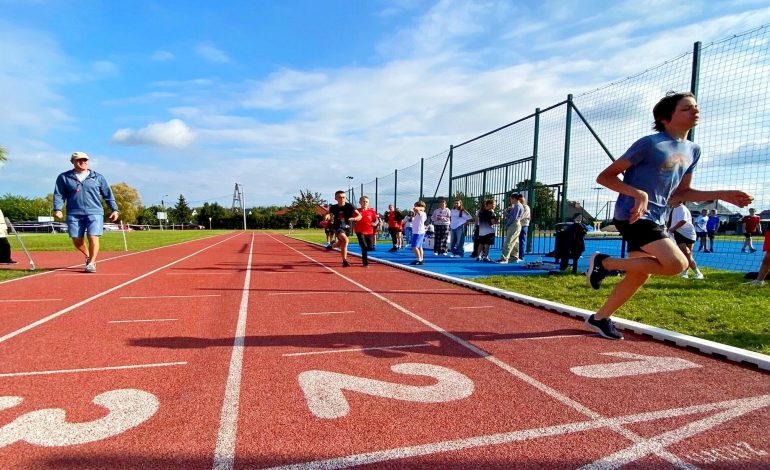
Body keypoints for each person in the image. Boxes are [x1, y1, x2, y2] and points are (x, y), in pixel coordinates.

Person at [585, 91, 752, 340]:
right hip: (632, 214)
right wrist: (637, 193)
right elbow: (605, 177)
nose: (695, 111)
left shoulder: (694, 150)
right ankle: (605, 263)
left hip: (658, 216)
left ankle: (599, 318)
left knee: (641, 273)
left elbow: (682, 192)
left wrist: (724, 194)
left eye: (695, 107)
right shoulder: (650, 144)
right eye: (686, 108)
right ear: (665, 117)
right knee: (677, 264)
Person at [53, 152, 119, 273]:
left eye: (85, 160)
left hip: (94, 212)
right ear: (72, 161)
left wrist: (114, 209)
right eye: (79, 160)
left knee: (93, 237)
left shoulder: (98, 177)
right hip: (74, 212)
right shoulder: (64, 177)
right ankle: (88, 255)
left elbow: (108, 194)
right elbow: (59, 194)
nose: (83, 162)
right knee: (77, 239)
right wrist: (57, 208)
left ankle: (92, 263)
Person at [324, 191, 361, 267]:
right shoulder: (333, 207)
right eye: (340, 197)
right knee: (345, 240)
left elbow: (359, 215)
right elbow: (328, 214)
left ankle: (332, 245)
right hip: (338, 227)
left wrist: (354, 218)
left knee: (341, 243)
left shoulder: (350, 206)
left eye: (343, 197)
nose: (342, 199)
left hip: (347, 227)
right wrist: (327, 216)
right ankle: (344, 261)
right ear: (336, 198)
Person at [668, 200, 703, 279]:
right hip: (679, 233)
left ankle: (696, 273)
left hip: (688, 234)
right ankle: (687, 273)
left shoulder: (681, 208)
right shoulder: (674, 208)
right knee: (686, 253)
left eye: (671, 197)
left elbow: (683, 220)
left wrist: (673, 228)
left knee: (688, 254)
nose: (668, 199)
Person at [498, 193, 524, 263]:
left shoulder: (517, 206)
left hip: (514, 224)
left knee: (509, 241)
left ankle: (504, 258)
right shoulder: (518, 206)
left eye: (511, 199)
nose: (510, 201)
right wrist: (506, 213)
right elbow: (512, 216)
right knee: (515, 241)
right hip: (517, 224)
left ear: (514, 199)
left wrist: (507, 225)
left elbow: (513, 218)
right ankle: (514, 257)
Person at [354, 196, 378, 267]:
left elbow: (375, 219)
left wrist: (375, 223)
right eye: (363, 201)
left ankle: (362, 245)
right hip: (360, 231)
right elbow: (351, 218)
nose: (365, 203)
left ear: (368, 203)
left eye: (366, 202)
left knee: (370, 247)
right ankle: (365, 262)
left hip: (369, 231)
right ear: (360, 202)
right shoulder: (356, 211)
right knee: (364, 247)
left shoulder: (372, 211)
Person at [409, 201, 427, 265]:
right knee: (419, 247)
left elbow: (415, 209)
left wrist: (421, 208)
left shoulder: (422, 213)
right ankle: (421, 259)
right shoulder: (418, 213)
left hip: (418, 232)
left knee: (414, 246)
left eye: (416, 205)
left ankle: (419, 259)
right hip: (417, 231)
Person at [518, 195, 531, 260]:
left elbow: (522, 216)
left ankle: (521, 255)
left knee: (522, 240)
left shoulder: (526, 207)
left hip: (523, 225)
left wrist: (515, 219)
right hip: (519, 225)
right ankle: (517, 255)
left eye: (521, 199)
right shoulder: (519, 207)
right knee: (518, 240)